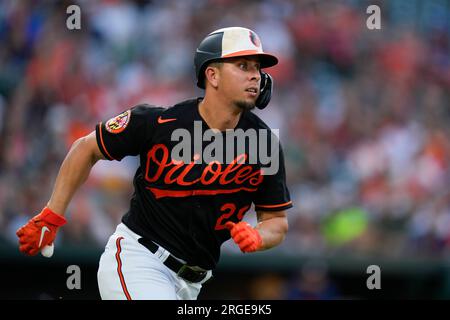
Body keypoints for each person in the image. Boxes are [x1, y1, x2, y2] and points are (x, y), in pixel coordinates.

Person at [16, 27, 293, 300]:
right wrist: (52, 215)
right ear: (212, 75)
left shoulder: (262, 144)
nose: (255, 76)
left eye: (257, 68)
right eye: (243, 65)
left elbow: (276, 222)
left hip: (192, 284)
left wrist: (258, 237)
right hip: (139, 259)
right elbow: (85, 148)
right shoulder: (160, 122)